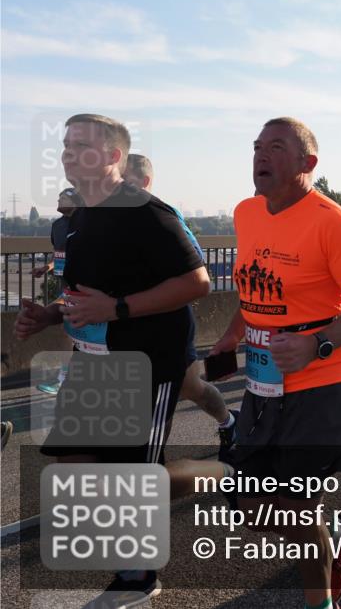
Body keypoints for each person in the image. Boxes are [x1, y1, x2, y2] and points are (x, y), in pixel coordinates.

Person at [14, 113, 211, 605]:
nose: (65, 152)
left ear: (111, 156)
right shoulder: (82, 219)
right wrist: (49, 316)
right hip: (92, 359)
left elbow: (198, 283)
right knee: (74, 462)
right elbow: (83, 295)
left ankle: (138, 577)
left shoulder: (145, 211)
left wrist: (118, 309)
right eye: (64, 144)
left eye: (79, 144)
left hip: (145, 362)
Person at [210, 117, 341, 608]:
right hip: (264, 382)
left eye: (276, 147)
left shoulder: (331, 220)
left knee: (296, 505)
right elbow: (253, 290)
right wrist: (230, 337)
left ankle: (321, 601)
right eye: (257, 147)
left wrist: (317, 345)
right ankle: (336, 538)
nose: (261, 156)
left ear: (308, 163)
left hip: (326, 380)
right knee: (253, 508)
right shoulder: (247, 213)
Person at [124, 154, 238, 456]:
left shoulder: (164, 215)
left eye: (125, 181)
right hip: (129, 325)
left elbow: (197, 268)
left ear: (145, 182)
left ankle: (228, 422)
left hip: (165, 325)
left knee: (181, 390)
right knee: (178, 390)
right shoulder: (112, 218)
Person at [32, 188, 84, 395]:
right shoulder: (57, 225)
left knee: (73, 331)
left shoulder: (87, 223)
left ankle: (66, 380)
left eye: (63, 198)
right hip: (66, 284)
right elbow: (60, 253)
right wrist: (47, 267)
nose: (58, 200)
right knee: (71, 331)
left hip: (85, 286)